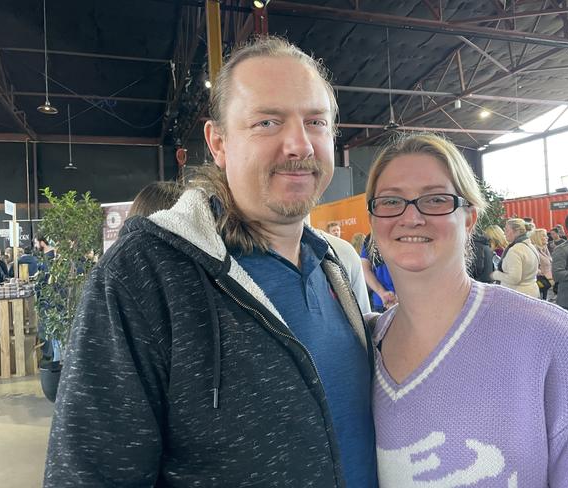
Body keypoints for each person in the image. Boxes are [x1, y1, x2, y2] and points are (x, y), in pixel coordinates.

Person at [44, 37, 377, 488]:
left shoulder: (335, 267)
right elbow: (91, 474)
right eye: (267, 121)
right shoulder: (145, 274)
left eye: (315, 121)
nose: (299, 144)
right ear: (218, 142)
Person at [365, 133, 568, 487]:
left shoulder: (553, 340)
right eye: (391, 201)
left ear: (469, 218)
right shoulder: (364, 346)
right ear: (374, 219)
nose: (411, 217)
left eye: (436, 199)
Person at [490, 219, 539, 298]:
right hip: (531, 292)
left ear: (516, 232)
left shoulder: (515, 250)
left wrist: (496, 274)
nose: (504, 233)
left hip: (518, 296)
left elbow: (514, 278)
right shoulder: (530, 246)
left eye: (507, 230)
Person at [360, 235, 396, 312]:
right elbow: (365, 268)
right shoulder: (369, 240)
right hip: (382, 301)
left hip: (405, 298)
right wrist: (382, 293)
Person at [530, 228, 554, 300]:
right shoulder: (533, 250)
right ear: (537, 238)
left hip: (548, 284)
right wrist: (540, 272)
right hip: (540, 284)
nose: (547, 237)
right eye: (544, 236)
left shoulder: (545, 249)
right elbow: (531, 267)